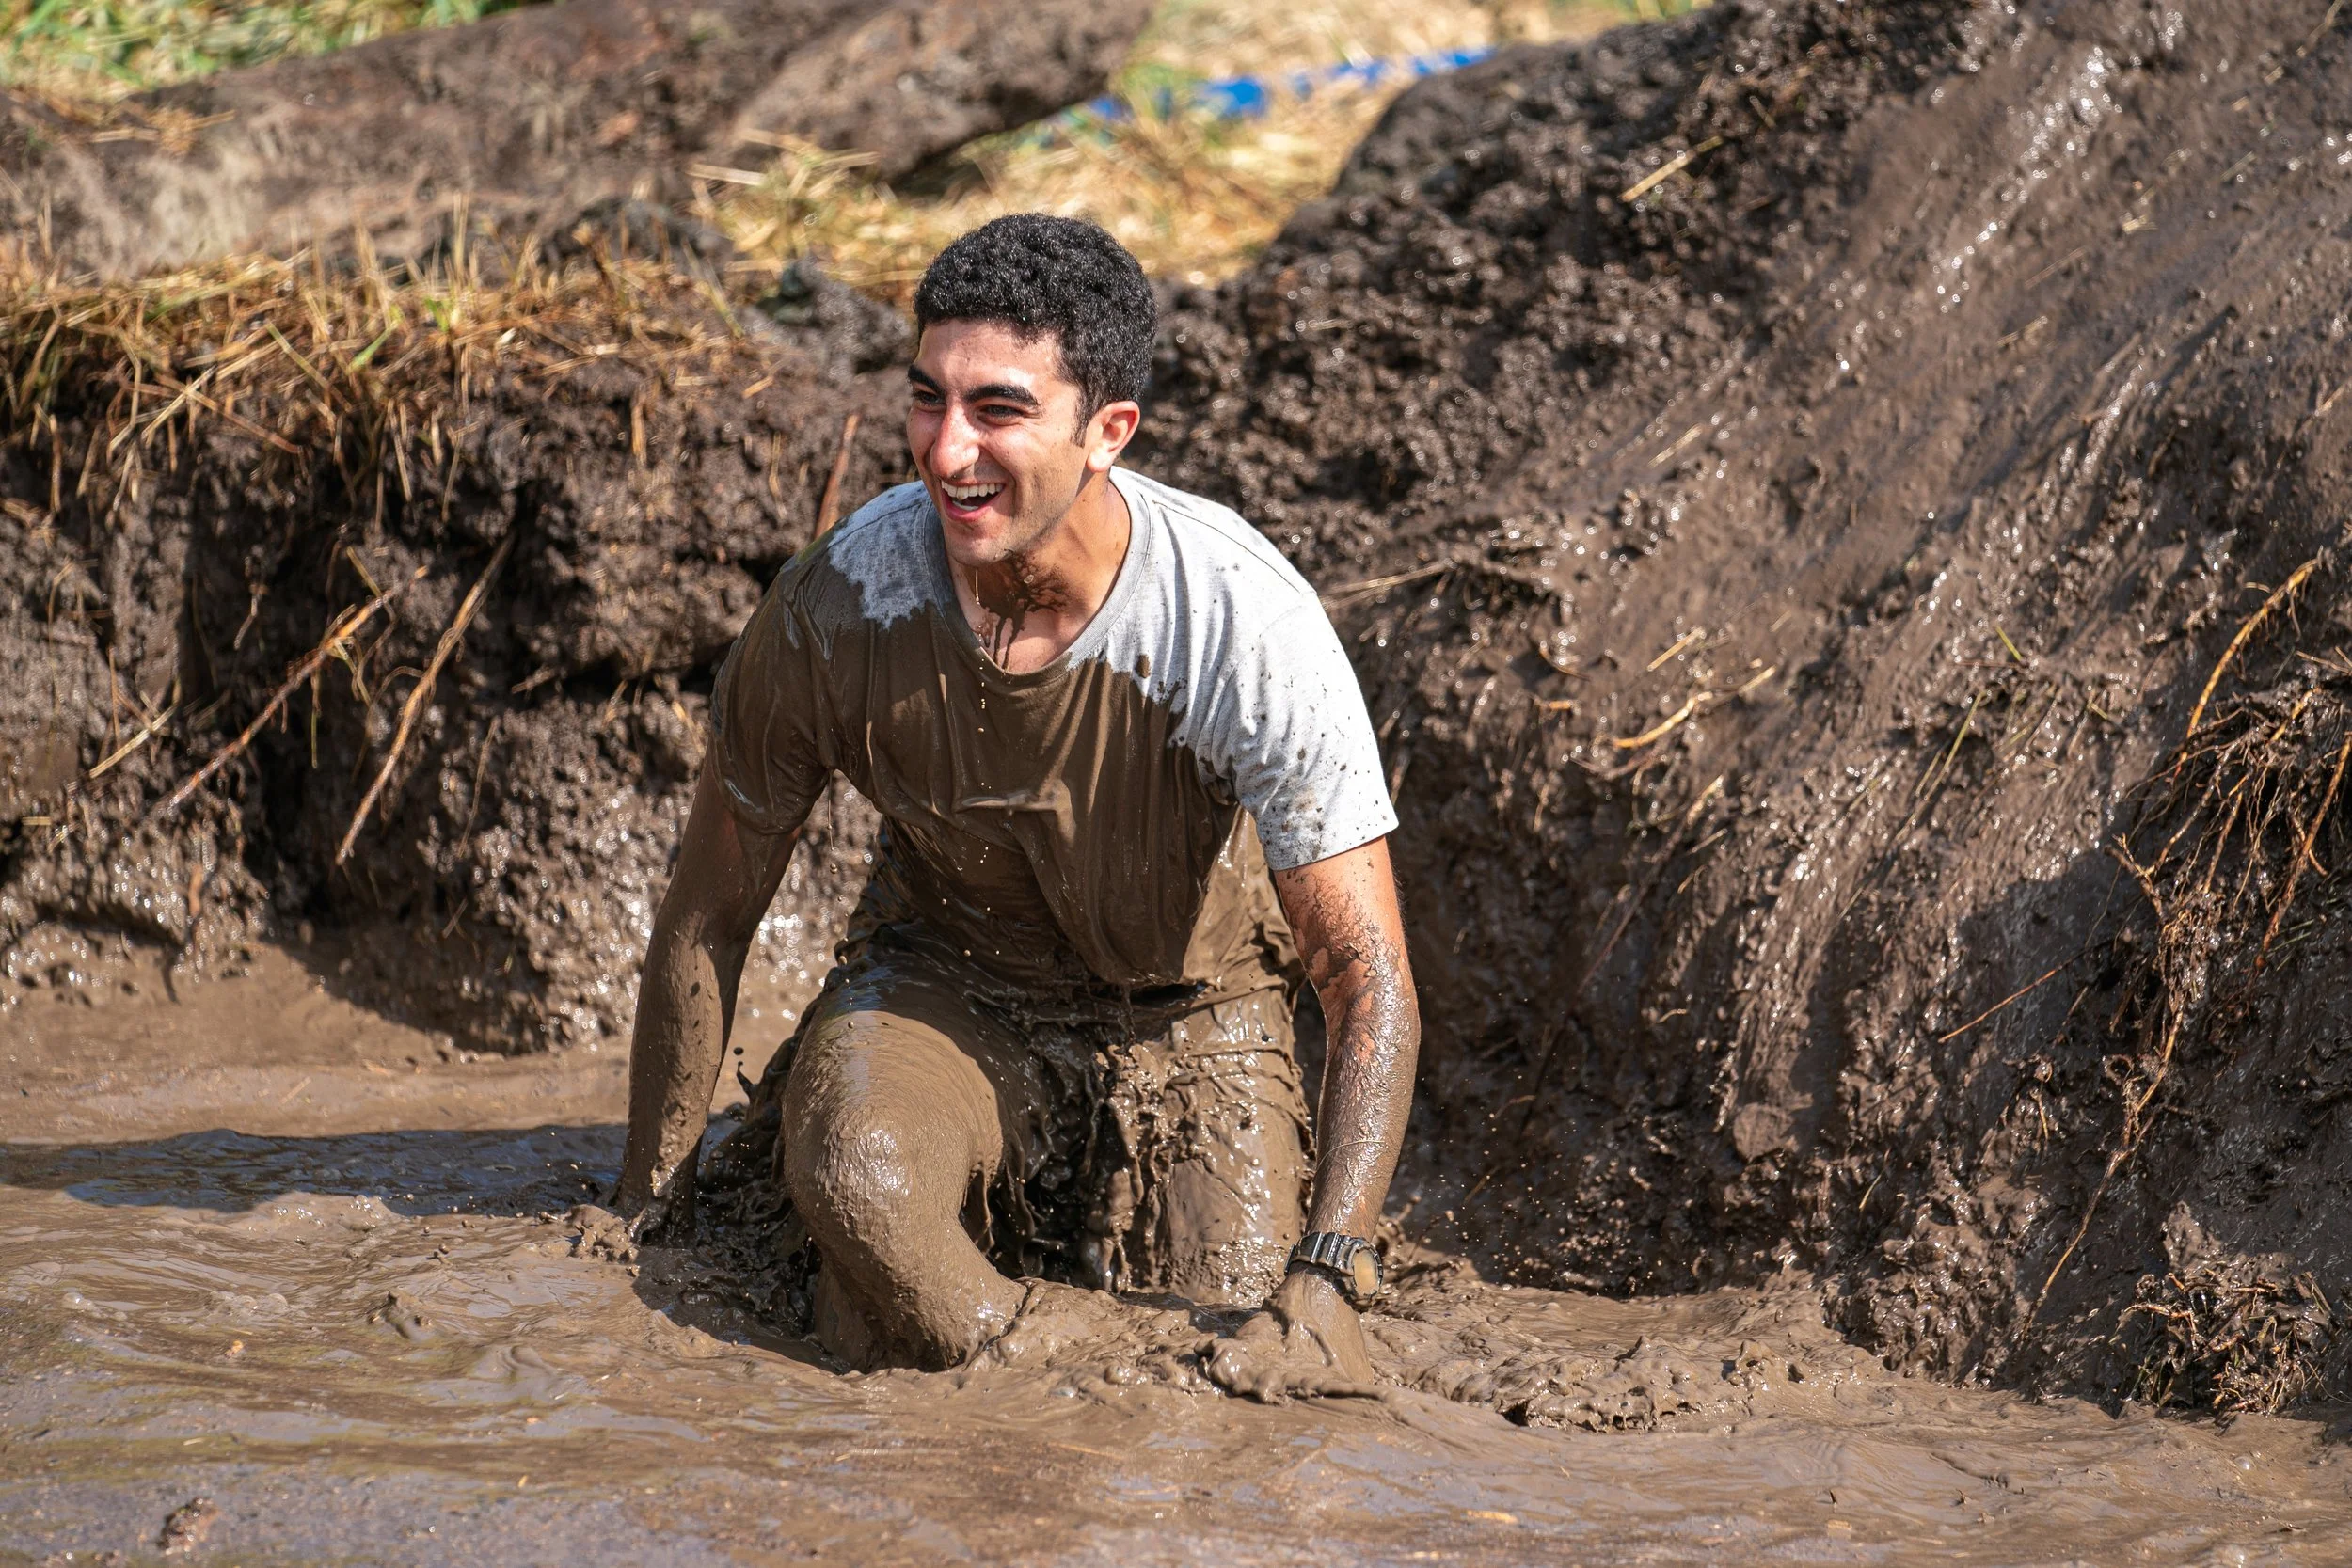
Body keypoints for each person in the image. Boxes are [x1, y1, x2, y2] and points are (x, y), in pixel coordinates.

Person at [613, 214, 1419, 1394]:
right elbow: (707, 913)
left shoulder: (1240, 620)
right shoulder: (845, 597)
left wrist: (1331, 1275)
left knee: (1251, 1357)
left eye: (997, 409)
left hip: (1194, 1018)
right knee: (856, 1179)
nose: (946, 452)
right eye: (925, 399)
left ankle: (1056, 1360)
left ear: (1107, 433)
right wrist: (642, 1201)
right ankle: (1069, 1374)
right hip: (944, 983)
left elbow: (1366, 978)